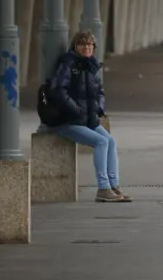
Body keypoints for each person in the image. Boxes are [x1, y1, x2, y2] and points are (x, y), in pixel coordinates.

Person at [47, 30, 130, 203]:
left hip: (87, 119)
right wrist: (75, 109)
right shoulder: (68, 64)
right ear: (75, 46)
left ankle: (114, 186)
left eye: (90, 45)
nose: (86, 48)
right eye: (82, 44)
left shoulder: (92, 65)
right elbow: (57, 90)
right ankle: (103, 188)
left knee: (111, 141)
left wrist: (99, 108)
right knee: (101, 142)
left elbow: (99, 91)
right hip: (67, 120)